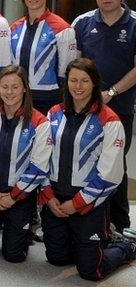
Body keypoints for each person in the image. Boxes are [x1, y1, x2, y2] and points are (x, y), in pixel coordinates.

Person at [40, 58, 135, 281]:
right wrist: (48, 197)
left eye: (85, 80)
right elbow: (41, 160)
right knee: (57, 258)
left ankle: (125, 247)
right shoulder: (54, 113)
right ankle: (87, 242)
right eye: (73, 80)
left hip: (89, 203)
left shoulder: (109, 120)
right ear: (67, 83)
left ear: (95, 84)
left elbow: (110, 175)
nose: (78, 86)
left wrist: (76, 204)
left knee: (92, 271)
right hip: (55, 198)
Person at [71, 0, 136, 236]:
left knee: (115, 162)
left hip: (119, 105)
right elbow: (72, 63)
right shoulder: (82, 22)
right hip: (84, 106)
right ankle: (87, 217)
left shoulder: (134, 23)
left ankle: (120, 223)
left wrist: (111, 92)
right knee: (84, 159)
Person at [0, 65, 52, 262]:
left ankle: (23, 230)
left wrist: (13, 196)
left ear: (25, 88)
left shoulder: (40, 122)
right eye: (4, 87)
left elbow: (39, 167)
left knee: (14, 256)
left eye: (15, 87)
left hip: (19, 196)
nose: (9, 92)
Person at [10, 0, 78, 114]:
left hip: (47, 98)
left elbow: (66, 71)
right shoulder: (15, 27)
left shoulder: (62, 29)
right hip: (16, 96)